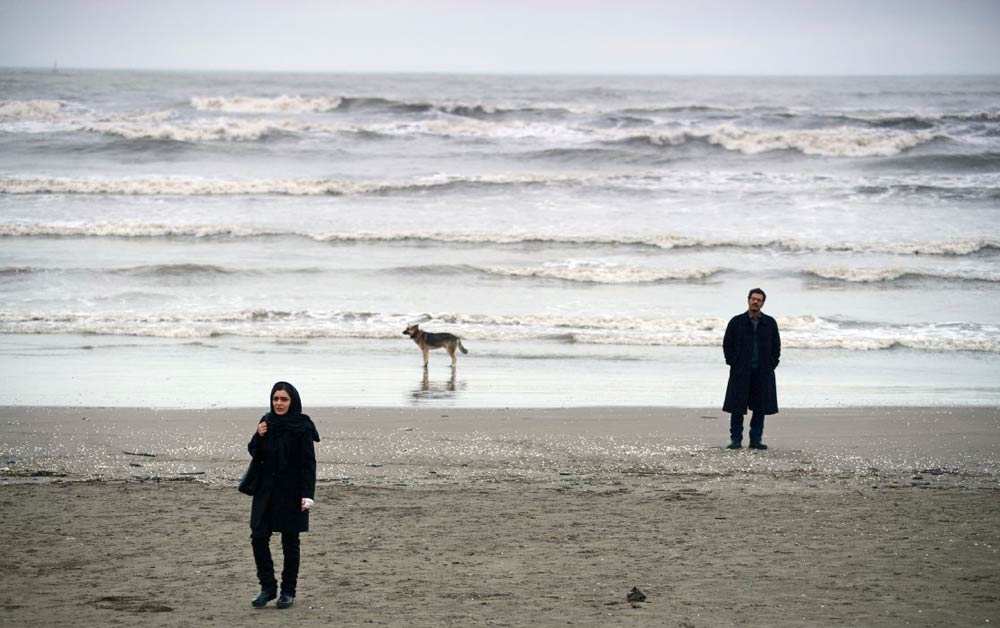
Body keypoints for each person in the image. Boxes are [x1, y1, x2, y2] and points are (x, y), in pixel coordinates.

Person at [247, 381, 320, 609]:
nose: (279, 403)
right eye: (275, 399)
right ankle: (268, 588)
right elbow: (254, 451)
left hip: (292, 491)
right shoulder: (266, 421)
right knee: (258, 537)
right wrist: (258, 435)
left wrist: (308, 494)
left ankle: (288, 591)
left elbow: (309, 463)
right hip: (266, 490)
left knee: (290, 541)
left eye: (284, 399)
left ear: (292, 401)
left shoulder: (303, 426)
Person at [722, 288, 780, 450]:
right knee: (737, 407)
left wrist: (772, 364)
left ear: (763, 303)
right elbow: (727, 344)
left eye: (759, 300)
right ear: (748, 300)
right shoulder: (736, 321)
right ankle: (736, 440)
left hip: (763, 371)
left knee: (760, 407)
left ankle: (755, 440)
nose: (755, 302)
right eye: (753, 299)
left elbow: (776, 346)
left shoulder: (769, 323)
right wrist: (732, 362)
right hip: (741, 371)